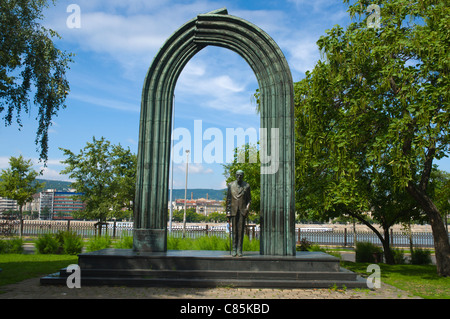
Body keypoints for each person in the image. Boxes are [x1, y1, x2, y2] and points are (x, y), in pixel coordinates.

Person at [226, 170, 251, 257]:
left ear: (243, 176)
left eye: (241, 175)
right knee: (234, 231)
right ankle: (234, 249)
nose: (239, 177)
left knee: (240, 231)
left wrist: (247, 209)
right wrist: (228, 212)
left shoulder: (247, 186)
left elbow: (249, 200)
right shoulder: (230, 185)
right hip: (233, 210)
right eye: (238, 175)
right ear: (235, 175)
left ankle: (239, 249)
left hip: (242, 211)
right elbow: (228, 200)